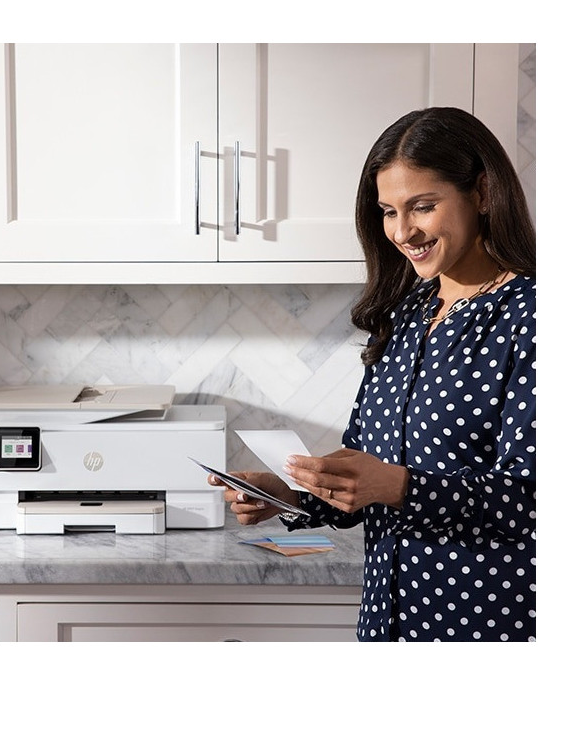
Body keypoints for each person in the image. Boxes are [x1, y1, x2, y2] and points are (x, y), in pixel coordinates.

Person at [209, 107, 536, 641]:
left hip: (486, 620)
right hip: (388, 616)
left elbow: (531, 498)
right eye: (388, 211)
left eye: (423, 206)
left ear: (481, 192)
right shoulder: (408, 313)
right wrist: (291, 493)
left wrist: (399, 485)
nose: (403, 232)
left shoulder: (533, 315)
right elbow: (366, 464)